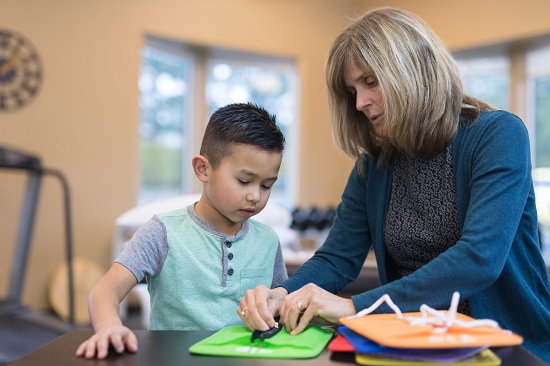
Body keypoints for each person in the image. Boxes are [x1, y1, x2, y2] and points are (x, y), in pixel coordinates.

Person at [238, 7, 550, 363]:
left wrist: (356, 306)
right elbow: (338, 257)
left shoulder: (498, 135)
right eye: (352, 90)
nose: (359, 102)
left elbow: (479, 258)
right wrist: (283, 292)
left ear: (412, 68)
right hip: (413, 346)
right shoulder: (373, 163)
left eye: (370, 81)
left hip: (508, 349)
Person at [76, 102, 288, 359]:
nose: (255, 196)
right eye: (244, 181)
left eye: (267, 185)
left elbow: (279, 304)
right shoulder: (162, 231)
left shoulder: (268, 241)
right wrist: (109, 327)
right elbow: (106, 289)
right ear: (203, 169)